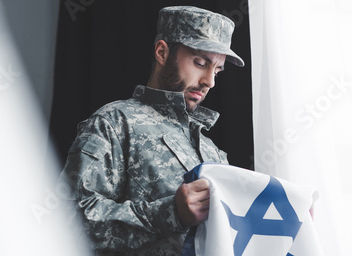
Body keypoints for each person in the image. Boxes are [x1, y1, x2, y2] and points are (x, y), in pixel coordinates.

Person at [58, 6, 245, 256]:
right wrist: (171, 213)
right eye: (201, 63)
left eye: (217, 71)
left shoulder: (213, 151)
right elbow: (68, 221)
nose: (209, 81)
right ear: (162, 52)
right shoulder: (115, 122)